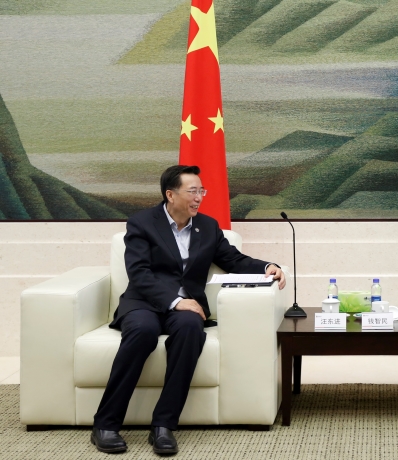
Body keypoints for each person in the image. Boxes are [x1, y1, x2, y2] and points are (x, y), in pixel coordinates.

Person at [91, 165, 286, 455]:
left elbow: (233, 259)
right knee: (143, 332)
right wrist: (175, 301)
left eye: (201, 191)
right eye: (192, 191)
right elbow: (139, 273)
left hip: (187, 309)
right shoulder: (142, 223)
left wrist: (267, 266)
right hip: (144, 302)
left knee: (191, 329)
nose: (199, 197)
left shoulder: (207, 226)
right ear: (170, 194)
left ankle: (163, 425)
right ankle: (105, 424)